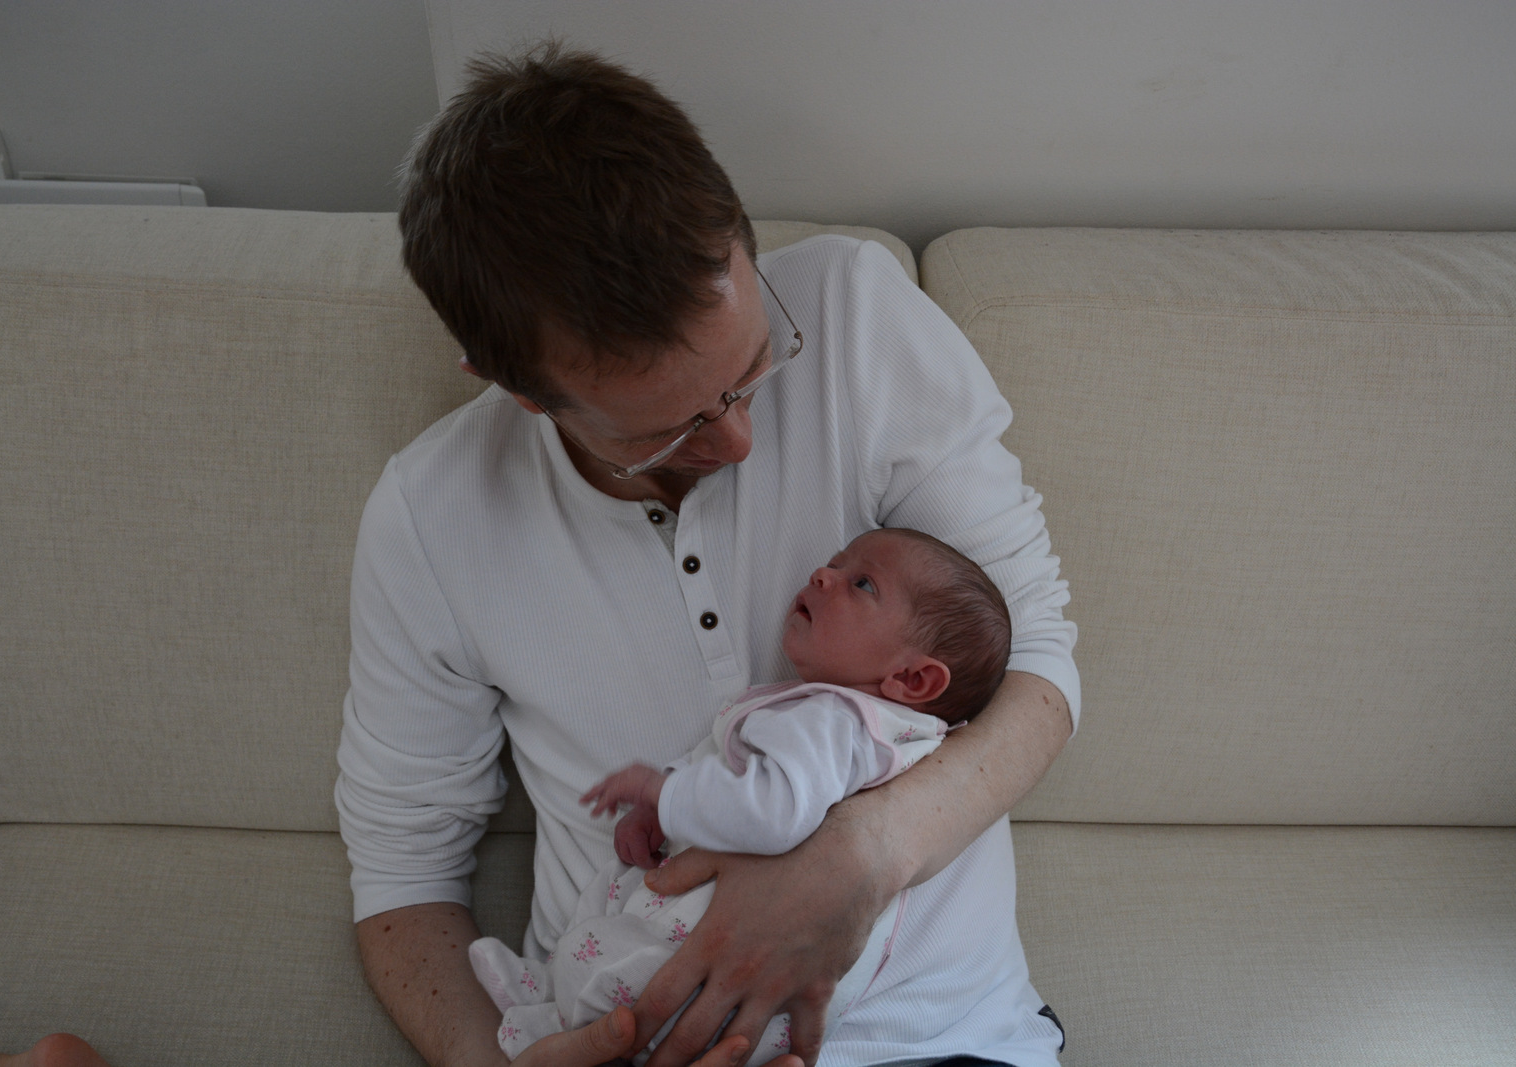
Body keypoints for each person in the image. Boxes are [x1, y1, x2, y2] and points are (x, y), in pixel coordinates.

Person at [336, 41, 1079, 1067]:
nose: (737, 442)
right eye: (666, 430)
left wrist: (861, 856)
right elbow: (402, 870)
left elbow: (1038, 659)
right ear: (517, 388)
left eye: (753, 370)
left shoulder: (856, 316)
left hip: (943, 1037)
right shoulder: (431, 515)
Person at [467, 527, 1053, 1067]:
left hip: (752, 958)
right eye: (835, 563)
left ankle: (553, 1010)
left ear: (912, 679)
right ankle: (558, 999)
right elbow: (734, 768)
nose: (823, 575)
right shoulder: (871, 730)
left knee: (626, 942)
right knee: (623, 915)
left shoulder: (835, 721)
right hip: (794, 989)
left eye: (862, 585)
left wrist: (663, 791)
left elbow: (774, 812)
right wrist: (665, 805)